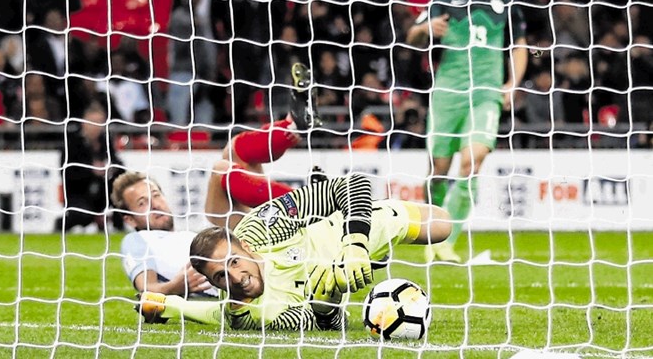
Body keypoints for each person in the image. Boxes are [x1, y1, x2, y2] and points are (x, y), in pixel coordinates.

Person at [136, 173, 452, 331]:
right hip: (329, 277)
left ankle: (310, 201)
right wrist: (328, 298)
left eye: (233, 262)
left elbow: (353, 183)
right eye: (221, 277)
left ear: (246, 247)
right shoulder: (248, 315)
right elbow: (329, 325)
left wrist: (354, 244)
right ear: (214, 285)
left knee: (442, 225)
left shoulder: (261, 228)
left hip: (344, 229)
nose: (236, 278)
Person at [113, 63, 322, 297]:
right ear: (129, 219)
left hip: (241, 249)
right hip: (234, 273)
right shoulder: (136, 241)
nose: (155, 204)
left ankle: (292, 127)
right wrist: (178, 286)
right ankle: (309, 201)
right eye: (142, 203)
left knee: (234, 152)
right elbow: (148, 291)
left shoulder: (184, 235)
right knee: (222, 169)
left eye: (155, 195)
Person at [406, 0, 528, 262]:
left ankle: (447, 241)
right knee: (438, 169)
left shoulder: (504, 2)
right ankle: (431, 231)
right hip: (447, 94)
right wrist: (426, 29)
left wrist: (512, 83)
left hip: (486, 94)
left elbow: (519, 47)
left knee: (472, 161)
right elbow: (412, 37)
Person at [56, 102, 124, 232]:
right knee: (82, 215)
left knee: (120, 193)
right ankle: (62, 224)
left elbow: (120, 165)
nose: (96, 127)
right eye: (93, 122)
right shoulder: (72, 143)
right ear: (84, 122)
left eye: (100, 122)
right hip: (79, 192)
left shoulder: (106, 142)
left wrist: (110, 168)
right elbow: (67, 172)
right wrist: (91, 170)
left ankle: (118, 228)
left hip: (102, 192)